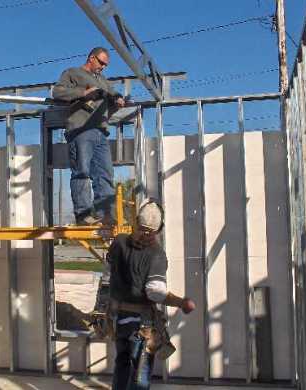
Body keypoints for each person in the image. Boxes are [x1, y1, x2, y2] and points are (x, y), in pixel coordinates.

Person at [107, 199, 196, 389]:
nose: (144, 235)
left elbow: (109, 269)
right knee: (141, 372)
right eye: (144, 230)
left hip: (117, 319)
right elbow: (155, 292)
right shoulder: (155, 253)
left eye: (148, 232)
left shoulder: (118, 242)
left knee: (121, 364)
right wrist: (181, 302)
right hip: (140, 324)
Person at [52, 47, 125, 225]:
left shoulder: (103, 81)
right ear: (91, 58)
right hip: (80, 129)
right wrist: (83, 93)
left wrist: (118, 99)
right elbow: (57, 92)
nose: (103, 67)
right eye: (101, 63)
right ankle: (83, 215)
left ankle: (106, 213)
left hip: (100, 131)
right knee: (82, 172)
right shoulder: (73, 73)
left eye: (106, 65)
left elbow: (113, 94)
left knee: (105, 173)